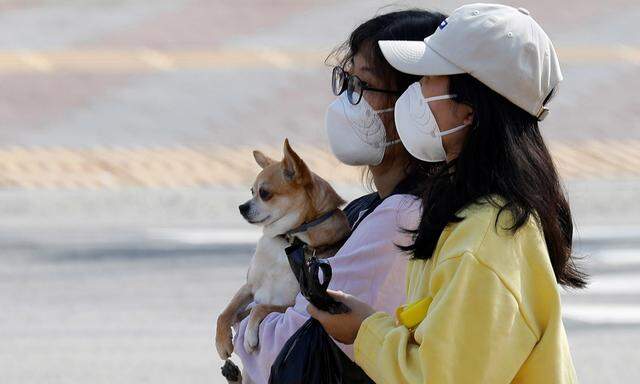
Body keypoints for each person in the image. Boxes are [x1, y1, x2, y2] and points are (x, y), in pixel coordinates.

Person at [309, 4, 587, 383]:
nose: (415, 92)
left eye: (427, 78)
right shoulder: (469, 213)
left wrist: (364, 334)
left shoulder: (486, 240)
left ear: (468, 110)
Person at [229, 9, 447, 383]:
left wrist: (245, 321)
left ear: (416, 104)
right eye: (346, 82)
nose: (350, 99)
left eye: (364, 85)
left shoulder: (399, 219)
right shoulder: (372, 207)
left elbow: (286, 349)